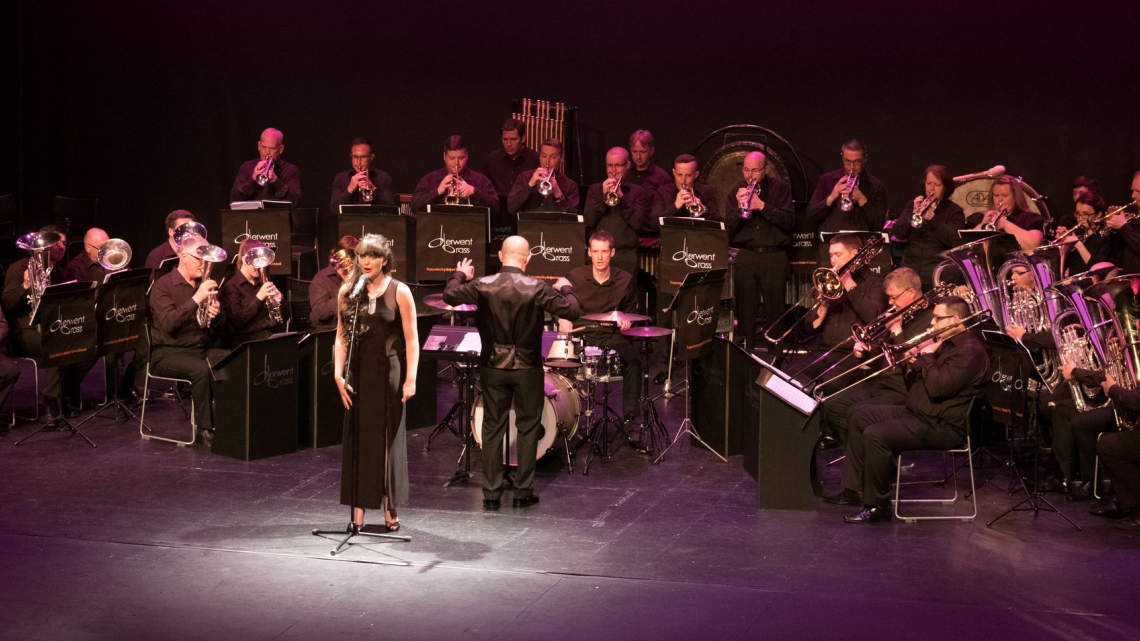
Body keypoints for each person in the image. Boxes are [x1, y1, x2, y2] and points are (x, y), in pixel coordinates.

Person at [443, 236, 579, 510]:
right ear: (527, 259)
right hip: (527, 367)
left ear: (500, 256)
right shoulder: (537, 287)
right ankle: (522, 492)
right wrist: (566, 289)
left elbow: (450, 294)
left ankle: (491, 494)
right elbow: (573, 310)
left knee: (492, 427)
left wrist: (460, 273)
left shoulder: (482, 284)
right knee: (528, 427)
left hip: (492, 365)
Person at [828, 296, 989, 523]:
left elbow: (937, 389)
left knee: (876, 435)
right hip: (917, 413)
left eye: (937, 318)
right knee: (858, 415)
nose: (932, 324)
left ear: (956, 319)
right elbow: (922, 383)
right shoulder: (943, 343)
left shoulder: (970, 352)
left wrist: (928, 356)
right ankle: (855, 489)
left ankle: (877, 506)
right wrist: (914, 364)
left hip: (942, 427)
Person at [333, 234, 419, 533]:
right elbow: (341, 337)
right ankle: (357, 510)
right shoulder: (349, 291)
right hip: (358, 373)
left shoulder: (400, 291)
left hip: (388, 372)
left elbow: (411, 339)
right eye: (361, 256)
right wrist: (337, 373)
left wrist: (411, 378)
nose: (366, 261)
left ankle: (389, 507)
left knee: (386, 440)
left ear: (385, 260)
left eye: (372, 256)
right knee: (358, 439)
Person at [818, 268, 930, 450]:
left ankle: (871, 455)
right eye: (888, 297)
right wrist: (868, 350)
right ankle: (863, 453)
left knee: (857, 412)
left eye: (894, 297)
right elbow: (883, 353)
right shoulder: (898, 313)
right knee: (833, 405)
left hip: (902, 390)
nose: (890, 302)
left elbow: (913, 362)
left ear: (911, 293)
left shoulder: (930, 321)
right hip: (880, 383)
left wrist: (897, 331)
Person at [2, 225, 93, 419]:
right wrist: (26, 285)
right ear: (44, 245)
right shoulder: (18, 268)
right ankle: (50, 404)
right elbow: (7, 305)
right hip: (22, 330)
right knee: (55, 344)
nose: (61, 246)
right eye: (56, 242)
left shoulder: (59, 273)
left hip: (49, 327)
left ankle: (64, 397)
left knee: (85, 345)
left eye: (64, 243)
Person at [148, 235, 229, 448]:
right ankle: (204, 430)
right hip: (168, 352)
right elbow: (168, 324)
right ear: (183, 256)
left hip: (201, 347)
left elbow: (216, 328)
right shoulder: (163, 286)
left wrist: (216, 313)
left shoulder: (203, 285)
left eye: (206, 260)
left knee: (231, 360)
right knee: (201, 370)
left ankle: (232, 420)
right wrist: (196, 299)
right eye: (199, 259)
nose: (204, 265)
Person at [560, 231, 642, 426]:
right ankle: (563, 415)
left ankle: (630, 417)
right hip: (582, 335)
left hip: (610, 336)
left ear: (612, 253)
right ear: (589, 252)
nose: (599, 257)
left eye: (604, 251)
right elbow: (562, 306)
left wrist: (627, 322)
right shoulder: (575, 276)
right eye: (595, 251)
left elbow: (631, 314)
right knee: (555, 360)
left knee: (635, 361)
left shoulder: (625, 280)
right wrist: (562, 319)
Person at [780, 234, 887, 382]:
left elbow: (874, 315)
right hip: (825, 351)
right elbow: (810, 328)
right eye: (831, 255)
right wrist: (823, 305)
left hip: (852, 355)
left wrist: (848, 283)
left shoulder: (875, 282)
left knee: (828, 382)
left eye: (838, 254)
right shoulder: (831, 282)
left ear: (855, 255)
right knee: (789, 375)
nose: (833, 260)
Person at [63, 227, 143, 403]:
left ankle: (123, 387)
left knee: (145, 339)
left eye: (108, 245)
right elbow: (82, 302)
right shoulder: (76, 267)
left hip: (114, 316)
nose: (107, 251)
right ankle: (67, 391)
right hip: (89, 322)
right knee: (99, 346)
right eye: (101, 247)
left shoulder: (115, 259)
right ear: (88, 247)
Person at [724, 151, 795, 349]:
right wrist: (740, 208)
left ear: (766, 169)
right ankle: (746, 355)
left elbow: (789, 222)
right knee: (745, 311)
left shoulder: (781, 189)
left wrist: (762, 206)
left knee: (775, 311)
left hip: (774, 256)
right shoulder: (736, 191)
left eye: (755, 170)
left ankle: (775, 359)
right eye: (746, 170)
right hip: (747, 255)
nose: (750, 175)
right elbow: (728, 228)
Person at [889, 165, 967, 290]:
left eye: (937, 184)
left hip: (937, 276)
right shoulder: (913, 204)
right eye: (929, 183)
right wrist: (912, 214)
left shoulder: (954, 211)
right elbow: (898, 233)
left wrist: (932, 219)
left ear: (945, 187)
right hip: (910, 274)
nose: (931, 188)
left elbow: (954, 241)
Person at [582, 149, 651, 279]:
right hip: (598, 255)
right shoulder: (595, 190)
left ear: (628, 165)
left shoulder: (638, 192)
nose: (613, 170)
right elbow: (589, 220)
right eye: (609, 165)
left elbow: (637, 223)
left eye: (618, 165)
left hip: (625, 256)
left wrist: (622, 198)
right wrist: (603, 197)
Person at [806, 139, 889, 245]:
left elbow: (878, 225)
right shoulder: (826, 180)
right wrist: (831, 197)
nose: (851, 167)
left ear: (865, 159)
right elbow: (811, 216)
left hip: (860, 248)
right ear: (842, 157)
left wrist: (861, 199)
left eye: (857, 162)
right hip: (830, 247)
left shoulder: (875, 185)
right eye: (847, 161)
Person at [218, 239, 287, 349]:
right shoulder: (231, 286)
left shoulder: (263, 282)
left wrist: (281, 300)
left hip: (269, 336)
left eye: (262, 262)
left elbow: (283, 318)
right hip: (246, 342)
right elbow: (237, 321)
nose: (260, 267)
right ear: (245, 259)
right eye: (255, 262)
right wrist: (259, 297)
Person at [411, 135, 498, 213]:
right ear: (444, 156)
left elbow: (496, 208)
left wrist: (474, 192)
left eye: (461, 158)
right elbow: (414, 207)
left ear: (467, 155)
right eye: (452, 158)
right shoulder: (430, 179)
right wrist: (438, 191)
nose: (456, 163)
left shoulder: (480, 180)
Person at [965, 175, 1045, 251]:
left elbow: (1034, 245)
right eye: (996, 195)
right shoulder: (978, 217)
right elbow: (964, 247)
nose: (1000, 199)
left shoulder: (1029, 218)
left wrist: (1006, 224)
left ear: (1015, 197)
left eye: (1004, 195)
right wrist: (982, 225)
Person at [229, 128, 301, 205]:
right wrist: (253, 179)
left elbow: (295, 202)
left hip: (277, 216)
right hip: (251, 216)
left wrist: (276, 181)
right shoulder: (246, 167)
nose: (267, 153)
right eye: (264, 147)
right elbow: (234, 198)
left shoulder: (290, 170)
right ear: (259, 146)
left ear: (281, 149)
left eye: (272, 148)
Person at [507, 138, 579, 214]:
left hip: (555, 225)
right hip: (529, 225)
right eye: (544, 156)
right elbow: (511, 208)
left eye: (553, 157)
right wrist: (530, 184)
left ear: (561, 159)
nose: (547, 162)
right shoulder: (524, 177)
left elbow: (573, 218)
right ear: (539, 156)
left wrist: (558, 194)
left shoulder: (570, 185)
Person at [1056, 193, 1121, 275]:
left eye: (1085, 214)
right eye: (1078, 214)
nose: (1080, 219)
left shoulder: (1105, 235)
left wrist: (1078, 244)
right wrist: (1063, 246)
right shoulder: (1077, 233)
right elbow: (1061, 268)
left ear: (1098, 215)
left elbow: (1096, 269)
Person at [309, 235, 360, 332]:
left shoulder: (358, 278)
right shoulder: (321, 278)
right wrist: (344, 298)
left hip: (350, 329)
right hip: (327, 331)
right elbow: (319, 312)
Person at [330, 137, 396, 210]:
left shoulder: (384, 178)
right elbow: (333, 210)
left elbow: (391, 209)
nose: (359, 162)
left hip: (375, 221)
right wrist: (349, 189)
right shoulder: (341, 178)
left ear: (371, 157)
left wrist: (374, 192)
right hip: (349, 221)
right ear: (351, 157)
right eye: (355, 157)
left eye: (363, 157)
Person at [651, 154, 719, 222]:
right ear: (674, 172)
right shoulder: (662, 191)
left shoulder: (706, 191)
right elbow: (654, 223)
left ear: (696, 175)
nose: (683, 180)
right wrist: (675, 206)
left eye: (688, 175)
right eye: (679, 174)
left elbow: (719, 223)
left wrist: (703, 210)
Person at [483, 118, 539, 197]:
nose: (508, 144)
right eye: (505, 139)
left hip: (526, 208)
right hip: (499, 208)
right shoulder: (492, 159)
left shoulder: (535, 159)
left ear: (523, 138)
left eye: (513, 139)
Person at [1103, 171, 1140, 273]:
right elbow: (1119, 251)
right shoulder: (1136, 217)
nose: (1133, 196)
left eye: (1138, 192)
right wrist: (1115, 227)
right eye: (1133, 191)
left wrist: (1124, 227)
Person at [626, 130, 671, 194]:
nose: (638, 156)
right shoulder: (626, 174)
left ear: (651, 151)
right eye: (634, 151)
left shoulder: (663, 177)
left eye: (643, 152)